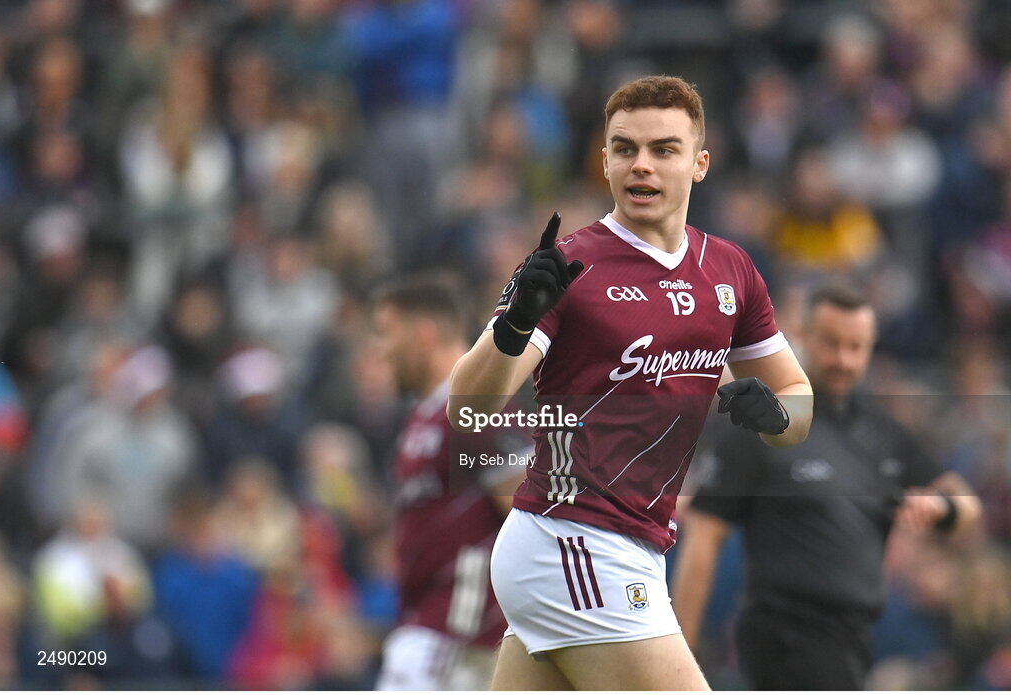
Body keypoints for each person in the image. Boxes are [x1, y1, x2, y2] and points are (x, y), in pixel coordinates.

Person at [448, 75, 813, 691]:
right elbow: (467, 409)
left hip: (614, 546)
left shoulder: (731, 270)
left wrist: (775, 415)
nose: (641, 165)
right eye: (625, 149)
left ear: (700, 163)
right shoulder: (569, 266)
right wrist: (515, 322)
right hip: (577, 537)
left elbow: (799, 406)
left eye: (663, 150)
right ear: (605, 161)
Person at [671, 284, 983, 690]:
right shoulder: (761, 423)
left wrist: (943, 508)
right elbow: (703, 543)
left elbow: (968, 507)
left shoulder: (882, 432)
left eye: (857, 347)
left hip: (853, 640)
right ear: (802, 335)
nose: (844, 360)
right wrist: (680, 670)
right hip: (783, 639)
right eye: (832, 344)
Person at [372, 274, 524, 690]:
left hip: (459, 634)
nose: (382, 351)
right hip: (428, 624)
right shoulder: (424, 415)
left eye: (387, 333)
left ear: (423, 335)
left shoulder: (474, 407)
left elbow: (529, 511)